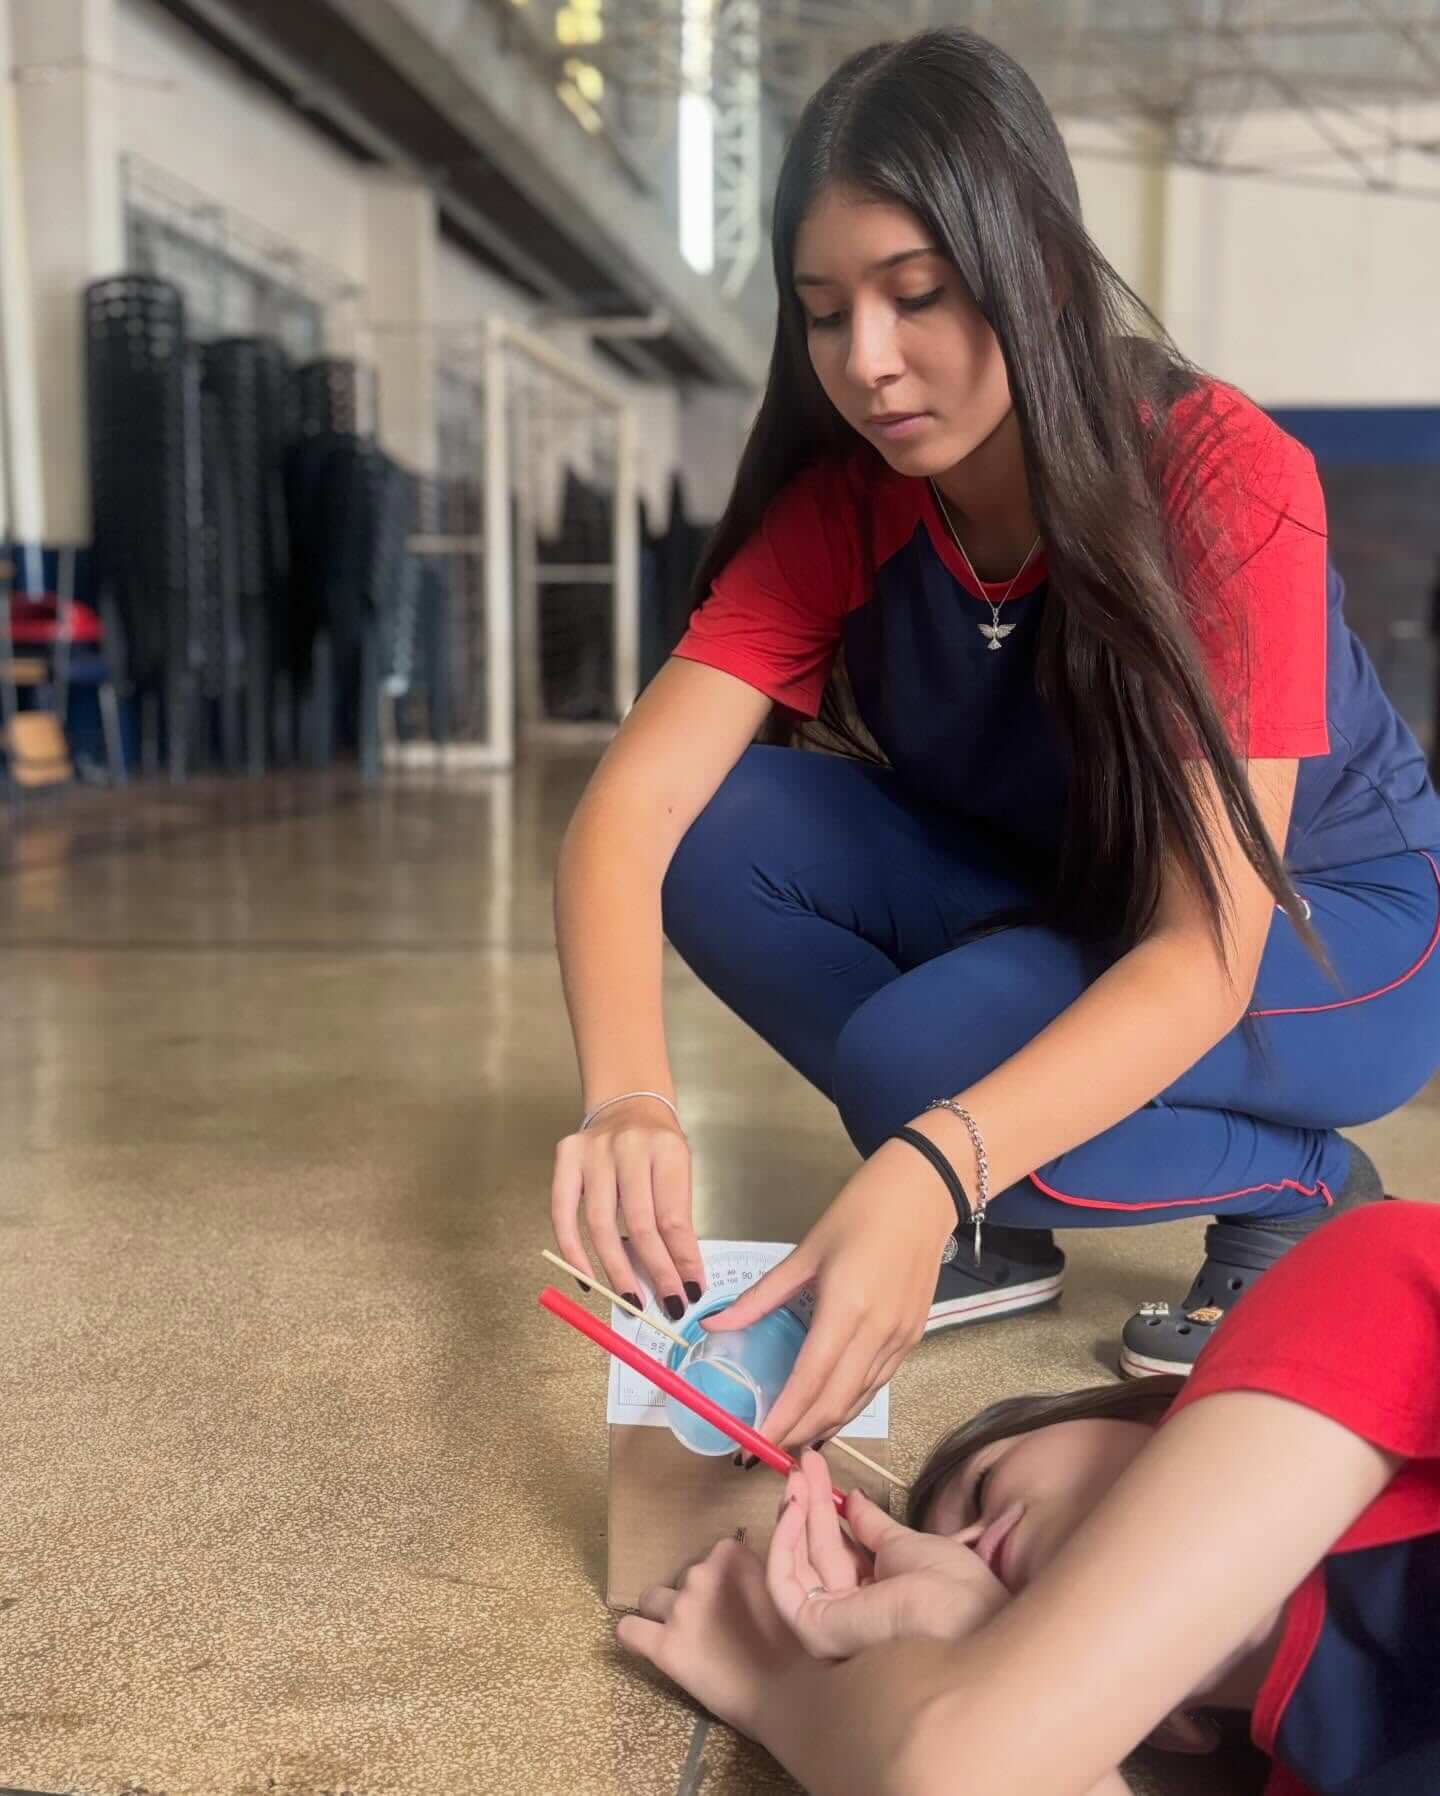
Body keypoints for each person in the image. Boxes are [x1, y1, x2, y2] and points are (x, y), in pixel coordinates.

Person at [550, 25, 1440, 1453]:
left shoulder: (1218, 475)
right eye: (825, 313)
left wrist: (924, 1163)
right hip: (1080, 894)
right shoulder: (847, 507)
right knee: (723, 832)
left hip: (1327, 933)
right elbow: (633, 811)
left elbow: (1204, 948)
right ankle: (1004, 1207)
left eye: (918, 296)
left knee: (916, 1068)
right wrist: (626, 1099)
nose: (869, 362)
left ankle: (1300, 1189)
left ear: (1037, 269)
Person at [616, 1197, 1440, 1796]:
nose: (964, 1554)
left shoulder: (1373, 1286)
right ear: (1172, 1730)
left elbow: (960, 1765)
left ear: (1157, 1411)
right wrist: (976, 1646)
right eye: (978, 1586)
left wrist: (784, 1692)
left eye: (985, 1482)